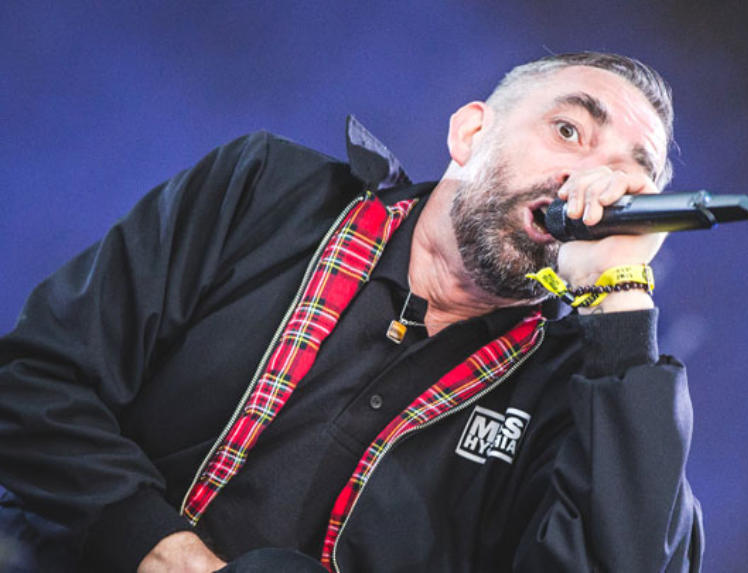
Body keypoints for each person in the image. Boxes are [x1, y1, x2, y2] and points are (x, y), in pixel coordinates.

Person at [0, 52, 703, 572]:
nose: (589, 182)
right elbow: (32, 383)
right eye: (569, 131)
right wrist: (155, 545)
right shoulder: (263, 190)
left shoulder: (585, 390)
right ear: (470, 133)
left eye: (628, 178)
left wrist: (620, 296)